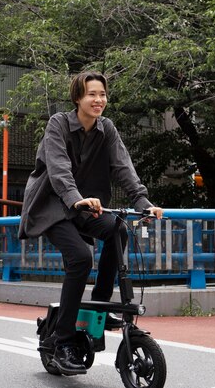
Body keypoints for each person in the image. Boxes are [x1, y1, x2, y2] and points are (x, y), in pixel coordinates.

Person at [19, 71, 163, 375]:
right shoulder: (58, 124)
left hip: (86, 207)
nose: (98, 100)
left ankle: (98, 305)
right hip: (52, 206)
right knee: (81, 258)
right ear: (77, 98)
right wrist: (75, 198)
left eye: (102, 95)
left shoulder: (106, 129)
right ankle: (62, 340)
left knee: (118, 230)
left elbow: (123, 167)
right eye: (91, 95)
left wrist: (143, 202)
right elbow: (58, 169)